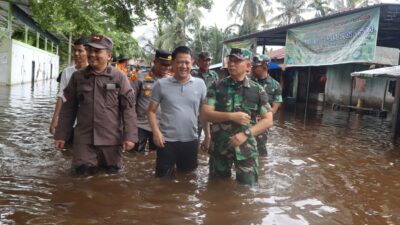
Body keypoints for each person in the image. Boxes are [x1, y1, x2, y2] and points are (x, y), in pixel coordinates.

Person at [54, 34, 138, 175]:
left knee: (112, 178)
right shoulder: (78, 77)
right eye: (90, 50)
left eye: (97, 51)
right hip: (84, 140)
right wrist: (61, 135)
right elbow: (68, 109)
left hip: (111, 139)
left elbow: (128, 109)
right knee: (81, 176)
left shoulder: (119, 77)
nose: (92, 54)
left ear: (109, 55)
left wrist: (130, 136)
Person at [202, 48, 273, 186]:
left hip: (246, 148)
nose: (232, 64)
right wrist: (231, 116)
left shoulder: (257, 90)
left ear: (248, 66)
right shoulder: (216, 86)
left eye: (237, 61)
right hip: (220, 147)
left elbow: (268, 120)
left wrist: (246, 134)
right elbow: (205, 113)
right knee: (216, 188)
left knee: (248, 190)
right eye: (230, 60)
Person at [147, 46, 208, 177]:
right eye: (180, 62)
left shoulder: (200, 84)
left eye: (187, 62)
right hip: (166, 141)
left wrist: (208, 136)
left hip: (191, 140)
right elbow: (151, 111)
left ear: (192, 63)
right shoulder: (161, 85)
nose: (183, 66)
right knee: (162, 181)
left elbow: (203, 113)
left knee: (188, 179)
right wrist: (156, 132)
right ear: (173, 64)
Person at [131, 49, 172, 153]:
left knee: (157, 155)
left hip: (161, 126)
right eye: (163, 64)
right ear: (155, 61)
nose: (166, 68)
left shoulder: (171, 81)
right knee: (136, 155)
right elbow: (130, 101)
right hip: (140, 124)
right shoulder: (139, 77)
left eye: (168, 65)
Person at [50, 37, 89, 136]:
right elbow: (61, 96)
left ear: (88, 52)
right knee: (64, 146)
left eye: (80, 51)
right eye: (75, 50)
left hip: (86, 122)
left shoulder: (92, 72)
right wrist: (55, 118)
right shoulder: (67, 72)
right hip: (68, 119)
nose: (76, 54)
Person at [251, 54, 283, 157]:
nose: (253, 69)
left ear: (265, 67)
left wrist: (262, 118)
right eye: (253, 66)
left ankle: (262, 169)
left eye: (256, 67)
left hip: (262, 121)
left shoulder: (275, 85)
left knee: (261, 149)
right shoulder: (248, 81)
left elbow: (274, 108)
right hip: (246, 119)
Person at [191, 51, 219, 139]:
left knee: (212, 136)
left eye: (208, 60)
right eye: (204, 60)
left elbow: (217, 90)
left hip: (211, 108)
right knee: (195, 135)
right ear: (198, 61)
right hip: (197, 109)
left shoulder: (214, 75)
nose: (207, 63)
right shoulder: (193, 74)